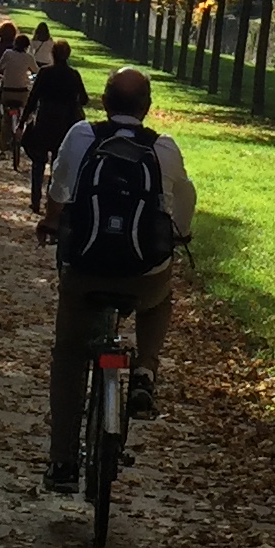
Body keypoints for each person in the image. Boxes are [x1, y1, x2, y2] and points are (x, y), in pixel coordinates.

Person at [37, 66, 196, 494]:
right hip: (143, 276)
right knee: (160, 296)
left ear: (104, 102)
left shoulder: (81, 136)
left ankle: (63, 462)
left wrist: (49, 223)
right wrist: (180, 236)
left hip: (86, 272)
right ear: (147, 107)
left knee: (70, 355)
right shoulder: (164, 148)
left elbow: (59, 192)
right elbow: (182, 202)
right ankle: (144, 370)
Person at [21, 39, 88, 212]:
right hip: (65, 124)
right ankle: (52, 201)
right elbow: (84, 99)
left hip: (44, 121)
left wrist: (23, 121)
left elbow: (33, 98)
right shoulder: (73, 75)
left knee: (38, 162)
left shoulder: (45, 72)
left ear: (53, 54)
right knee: (57, 166)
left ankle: (35, 199)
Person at [0, 24, 37, 164]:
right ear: (27, 46)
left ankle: (3, 147)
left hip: (8, 91)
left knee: (5, 118)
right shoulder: (29, 57)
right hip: (22, 93)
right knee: (26, 113)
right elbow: (36, 71)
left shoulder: (8, 53)